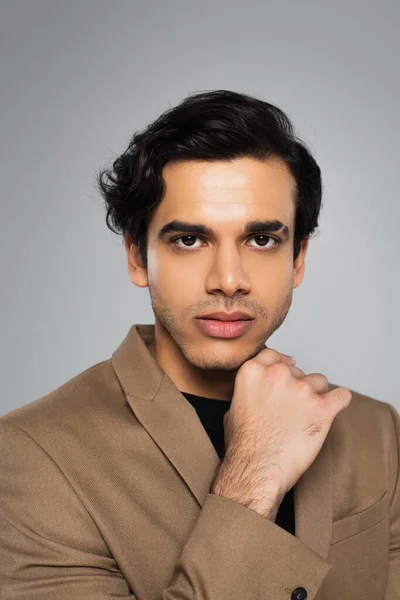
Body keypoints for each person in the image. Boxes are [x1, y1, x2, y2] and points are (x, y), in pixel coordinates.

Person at [0, 90, 399, 600]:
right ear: (138, 258)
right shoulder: (34, 457)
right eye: (190, 240)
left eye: (261, 240)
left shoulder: (376, 432)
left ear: (297, 259)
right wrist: (256, 474)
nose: (228, 280)